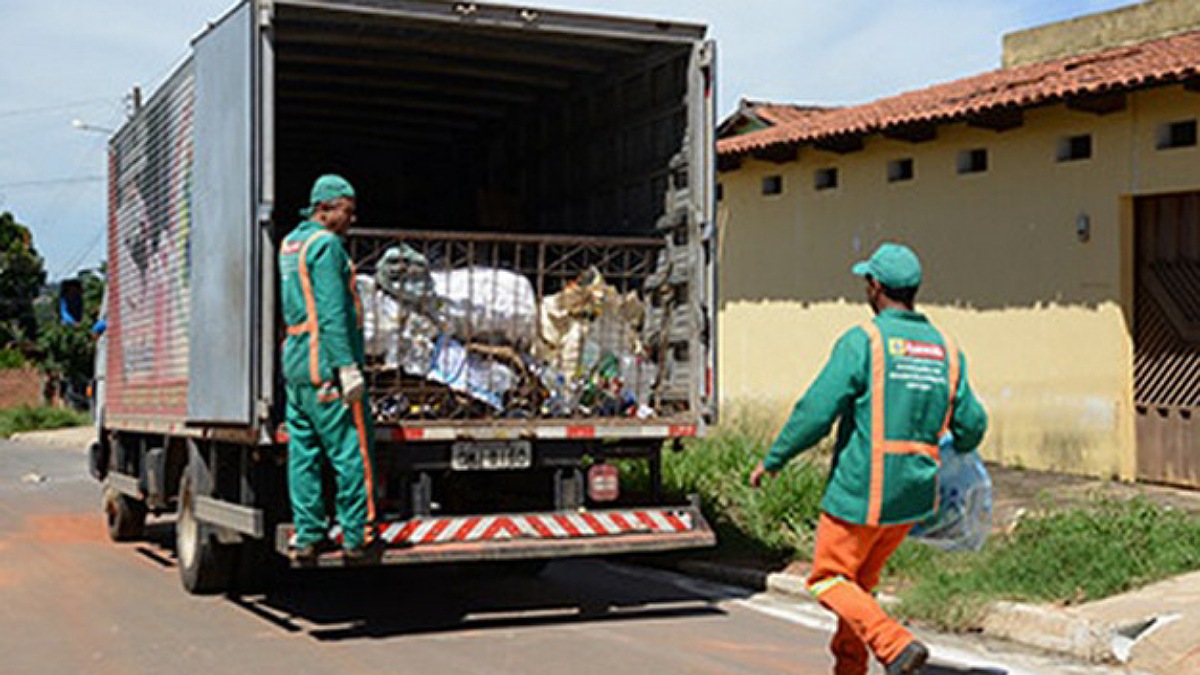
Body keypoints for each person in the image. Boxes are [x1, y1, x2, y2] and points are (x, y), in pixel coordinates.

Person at [750, 243, 988, 675]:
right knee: (857, 585)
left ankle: (893, 644)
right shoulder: (947, 350)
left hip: (862, 491)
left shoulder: (866, 341)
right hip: (911, 498)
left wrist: (775, 458)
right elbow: (973, 424)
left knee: (827, 578)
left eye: (867, 281)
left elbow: (817, 411)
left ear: (876, 287)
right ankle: (849, 668)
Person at [280, 174, 377, 563]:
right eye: (347, 212)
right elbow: (333, 312)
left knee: (303, 455)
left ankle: (308, 534)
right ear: (324, 209)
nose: (352, 219)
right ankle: (357, 535)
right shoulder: (327, 246)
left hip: (298, 367)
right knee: (351, 452)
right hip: (327, 368)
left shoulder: (291, 244)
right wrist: (347, 367)